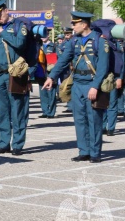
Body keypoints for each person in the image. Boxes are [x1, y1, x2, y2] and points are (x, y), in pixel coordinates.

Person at [44, 12, 110, 162]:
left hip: (91, 83)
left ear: (84, 24)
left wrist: (95, 86)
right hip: (77, 83)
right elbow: (63, 61)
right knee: (79, 119)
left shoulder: (100, 41)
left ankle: (94, 153)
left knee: (94, 119)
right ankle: (83, 150)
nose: (73, 26)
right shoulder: (74, 41)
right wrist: (51, 77)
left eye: (75, 23)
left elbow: (102, 67)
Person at [0, 0, 29, 155]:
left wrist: (1, 32)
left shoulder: (18, 27)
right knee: (2, 111)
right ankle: (3, 143)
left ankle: (17, 144)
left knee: (17, 110)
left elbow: (20, 44)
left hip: (13, 74)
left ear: (6, 11)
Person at [38, 36, 57, 118]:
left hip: (50, 72)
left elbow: (58, 59)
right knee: (43, 93)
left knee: (51, 93)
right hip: (41, 72)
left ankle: (51, 112)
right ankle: (45, 111)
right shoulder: (38, 46)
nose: (43, 37)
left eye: (44, 35)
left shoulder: (53, 46)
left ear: (48, 35)